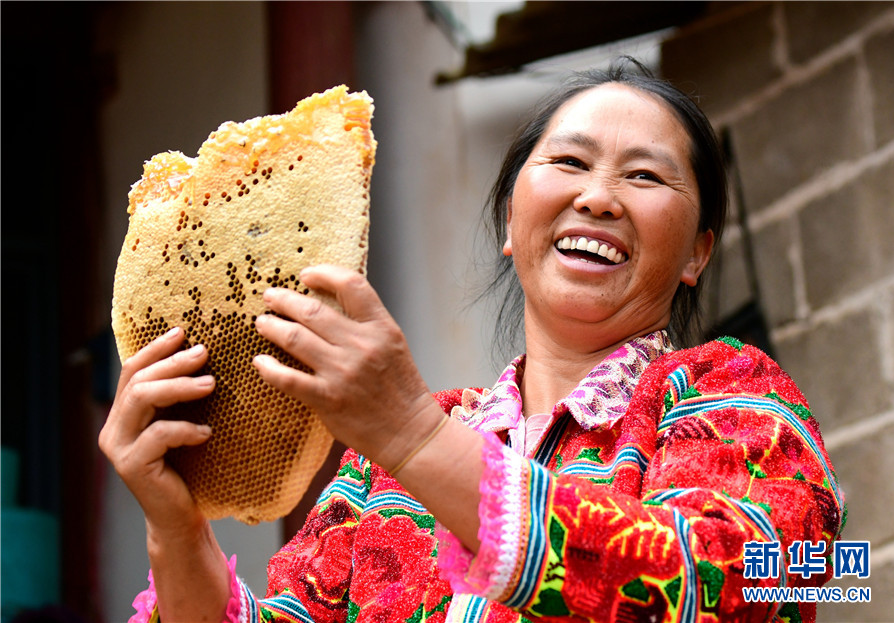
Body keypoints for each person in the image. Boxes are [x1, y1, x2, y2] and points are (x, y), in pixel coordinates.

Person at [100, 61, 844, 623]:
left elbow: (737, 581)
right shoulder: (374, 481)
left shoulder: (732, 396)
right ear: (508, 228)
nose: (597, 196)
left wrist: (413, 435)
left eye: (645, 175)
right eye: (568, 162)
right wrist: (174, 524)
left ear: (696, 254)